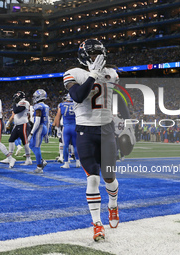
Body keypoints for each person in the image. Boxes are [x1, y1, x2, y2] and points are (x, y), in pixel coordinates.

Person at [63, 39, 120, 241]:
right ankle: (97, 223)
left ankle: (113, 205)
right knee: (93, 177)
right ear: (85, 57)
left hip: (106, 129)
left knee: (109, 178)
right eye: (93, 55)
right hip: (85, 130)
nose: (97, 59)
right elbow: (78, 96)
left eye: (99, 54)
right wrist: (92, 77)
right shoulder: (73, 73)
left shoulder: (112, 73)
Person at [2, 91, 32, 166]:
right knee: (11, 140)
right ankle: (10, 158)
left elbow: (16, 110)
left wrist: (14, 103)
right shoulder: (18, 103)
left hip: (23, 124)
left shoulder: (25, 102)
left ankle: (28, 159)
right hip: (17, 124)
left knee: (25, 142)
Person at [54, 93, 80, 168]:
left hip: (66, 127)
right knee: (75, 145)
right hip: (74, 127)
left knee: (65, 145)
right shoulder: (76, 104)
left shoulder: (61, 105)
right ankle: (78, 162)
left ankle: (66, 163)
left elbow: (58, 117)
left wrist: (57, 128)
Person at [28, 89, 50, 174]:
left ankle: (39, 167)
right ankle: (41, 161)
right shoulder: (46, 106)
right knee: (31, 145)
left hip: (39, 127)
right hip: (44, 127)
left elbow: (37, 121)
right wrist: (47, 133)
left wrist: (31, 133)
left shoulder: (38, 106)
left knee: (36, 147)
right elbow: (48, 120)